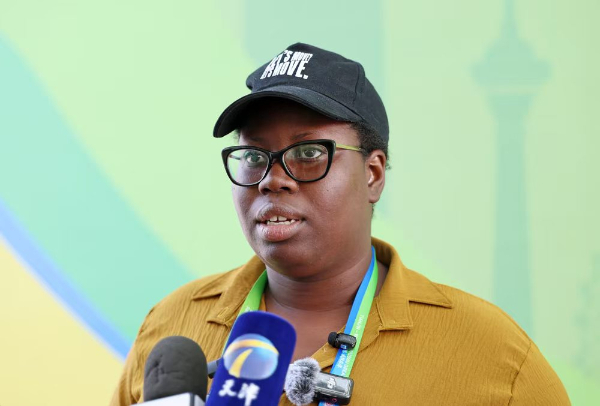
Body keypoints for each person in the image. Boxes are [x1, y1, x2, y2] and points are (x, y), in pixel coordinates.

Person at [111, 43, 570, 405]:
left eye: (309, 153)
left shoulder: (493, 355)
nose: (272, 179)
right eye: (253, 156)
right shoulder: (172, 323)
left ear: (373, 174)